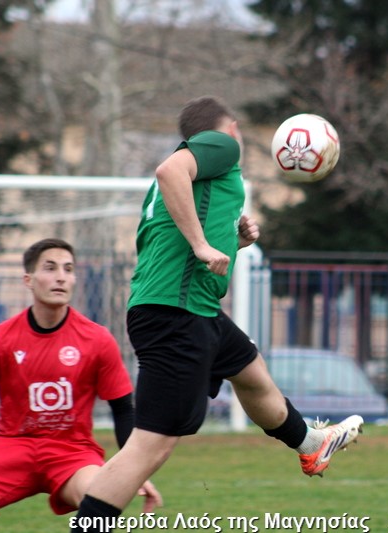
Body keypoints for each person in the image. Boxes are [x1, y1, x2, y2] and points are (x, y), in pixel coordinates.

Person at [72, 96, 364, 530]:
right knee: (151, 446)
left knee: (251, 372)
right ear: (229, 128)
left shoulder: (201, 172)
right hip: (176, 313)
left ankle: (311, 443)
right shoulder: (221, 146)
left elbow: (169, 232)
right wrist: (202, 244)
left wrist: (230, 240)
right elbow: (169, 172)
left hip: (191, 309)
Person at [0, 238, 161, 533]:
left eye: (68, 269)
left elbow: (123, 410)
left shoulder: (97, 338)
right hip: (12, 445)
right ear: (29, 279)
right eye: (50, 268)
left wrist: (131, 473)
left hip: (72, 451)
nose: (61, 277)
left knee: (99, 497)